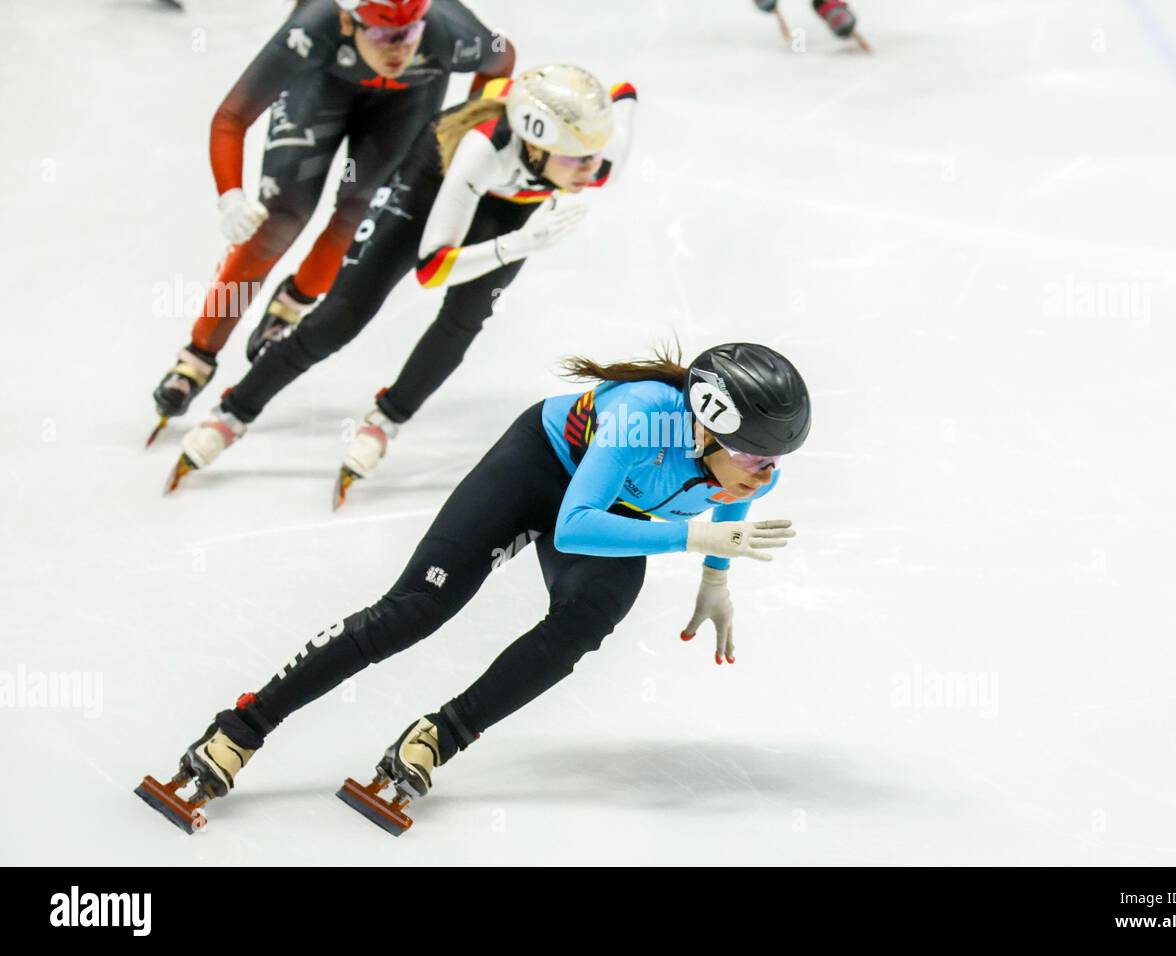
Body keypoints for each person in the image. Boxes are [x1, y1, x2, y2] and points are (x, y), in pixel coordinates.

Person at [137, 343, 811, 833]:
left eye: (773, 462)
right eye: (754, 458)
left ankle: (435, 737)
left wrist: (716, 579)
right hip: (542, 468)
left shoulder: (748, 464)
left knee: (586, 621)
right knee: (416, 611)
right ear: (704, 425)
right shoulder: (642, 415)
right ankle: (240, 729)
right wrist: (692, 541)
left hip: (617, 510)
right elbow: (576, 525)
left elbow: (727, 504)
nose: (763, 476)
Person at [164, 64, 638, 506]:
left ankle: (387, 420)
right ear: (536, 146)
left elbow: (625, 96)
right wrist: (519, 244)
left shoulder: (595, 155)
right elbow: (431, 269)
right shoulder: (482, 151)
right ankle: (233, 413)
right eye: (578, 159)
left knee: (466, 317)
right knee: (342, 317)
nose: (592, 170)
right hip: (431, 180)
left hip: (508, 204)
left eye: (596, 154)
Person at [148, 0, 514, 442]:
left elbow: (502, 57)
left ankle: (294, 302)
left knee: (359, 211)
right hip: (320, 86)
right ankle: (199, 353)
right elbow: (231, 117)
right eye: (382, 35)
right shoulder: (311, 30)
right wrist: (230, 195)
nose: (397, 49)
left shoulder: (450, 33)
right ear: (347, 21)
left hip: (407, 103)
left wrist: (470, 123)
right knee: (279, 220)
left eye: (409, 33)